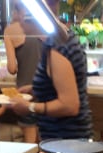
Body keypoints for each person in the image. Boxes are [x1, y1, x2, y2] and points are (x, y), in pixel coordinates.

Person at [10, 0, 93, 141]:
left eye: (19, 9)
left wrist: (30, 107)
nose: (15, 17)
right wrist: (36, 89)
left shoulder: (58, 46)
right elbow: (60, 86)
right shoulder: (56, 39)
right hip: (62, 141)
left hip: (67, 142)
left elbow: (70, 105)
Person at [3, 3, 43, 142]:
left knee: (30, 142)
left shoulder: (9, 31)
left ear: (15, 10)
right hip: (45, 91)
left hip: (25, 92)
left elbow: (12, 68)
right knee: (45, 142)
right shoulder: (43, 27)